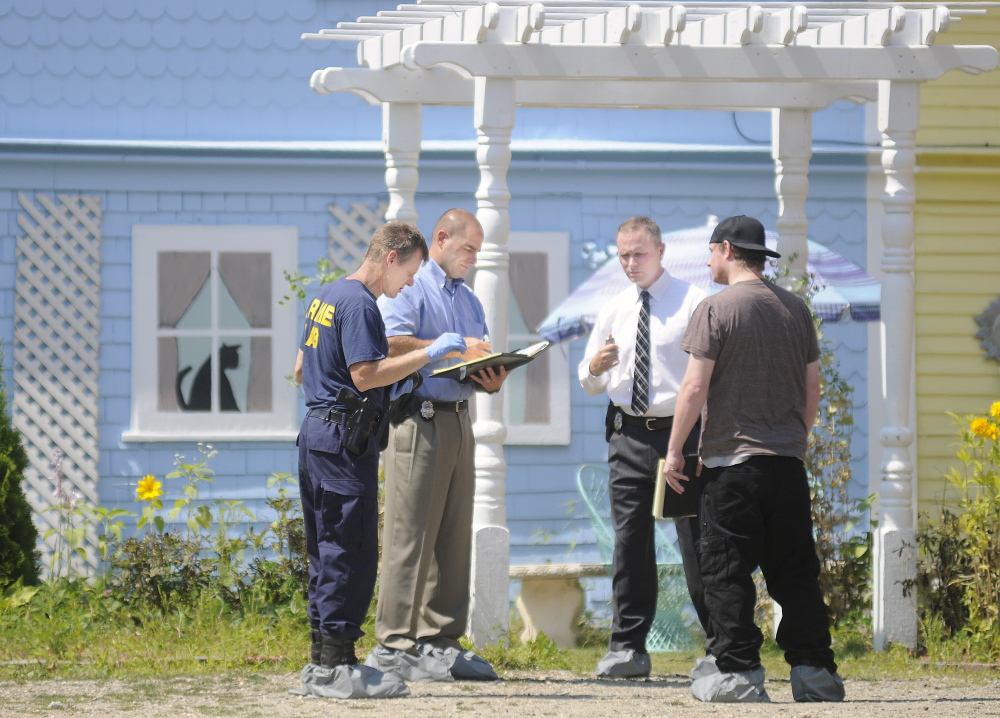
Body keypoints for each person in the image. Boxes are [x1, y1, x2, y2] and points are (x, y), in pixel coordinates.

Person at [662, 215, 845, 704]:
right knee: (795, 572)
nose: (706, 262)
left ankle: (739, 671)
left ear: (725, 249)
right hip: (787, 463)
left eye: (710, 252)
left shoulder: (715, 309)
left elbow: (695, 386)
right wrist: (792, 441)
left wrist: (676, 450)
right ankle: (815, 673)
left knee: (725, 572)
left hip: (730, 466)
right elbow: (812, 391)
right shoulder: (796, 309)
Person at [292, 221, 468, 699]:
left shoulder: (325, 296)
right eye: (410, 271)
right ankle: (341, 667)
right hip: (343, 443)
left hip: (315, 435)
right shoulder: (361, 304)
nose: (410, 282)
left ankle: (320, 664)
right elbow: (366, 375)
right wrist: (428, 354)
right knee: (349, 551)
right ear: (392, 257)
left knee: (325, 551)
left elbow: (301, 369)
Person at [365, 209, 506, 683]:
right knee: (411, 537)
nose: (473, 259)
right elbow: (389, 342)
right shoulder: (411, 286)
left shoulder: (468, 300)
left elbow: (475, 353)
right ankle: (392, 645)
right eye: (468, 248)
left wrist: (491, 374)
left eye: (477, 252)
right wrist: (447, 347)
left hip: (460, 418)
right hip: (418, 418)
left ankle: (440, 642)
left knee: (452, 536)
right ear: (442, 239)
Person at [579, 216, 714, 679]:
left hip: (682, 432)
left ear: (660, 251)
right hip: (627, 434)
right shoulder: (614, 306)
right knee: (630, 542)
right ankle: (627, 648)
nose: (630, 263)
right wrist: (594, 366)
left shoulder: (695, 303)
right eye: (622, 256)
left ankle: (720, 646)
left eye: (638, 254)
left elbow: (707, 378)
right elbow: (592, 380)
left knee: (696, 541)